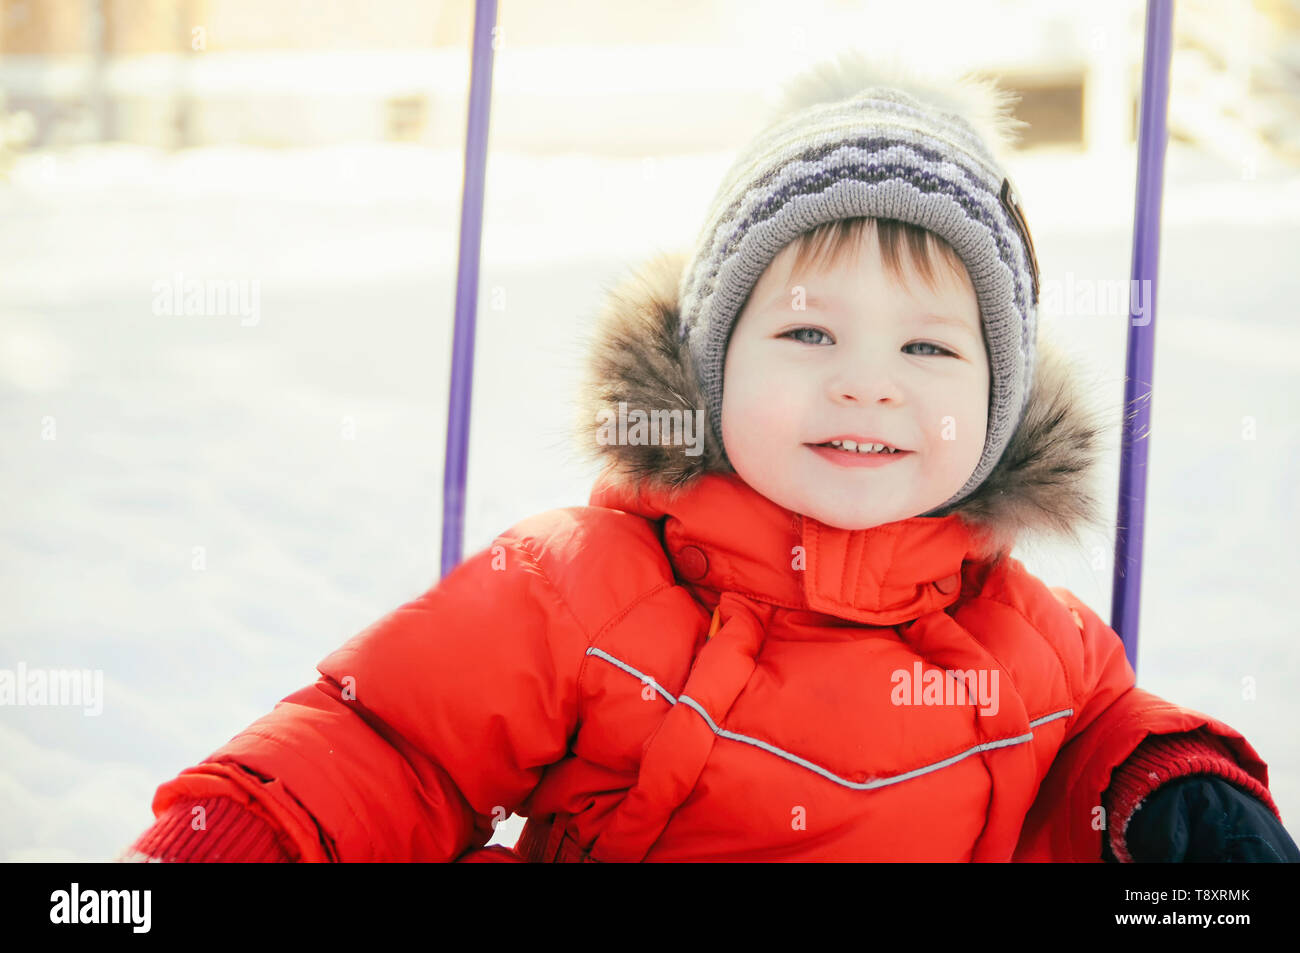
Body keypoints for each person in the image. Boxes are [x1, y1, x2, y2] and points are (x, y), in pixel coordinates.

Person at [119, 52, 1297, 863]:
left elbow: (1095, 741)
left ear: (999, 407)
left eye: (930, 345)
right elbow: (390, 737)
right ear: (707, 366)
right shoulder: (580, 583)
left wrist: (1169, 782)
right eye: (805, 331)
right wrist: (244, 832)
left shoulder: (1028, 636)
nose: (866, 380)